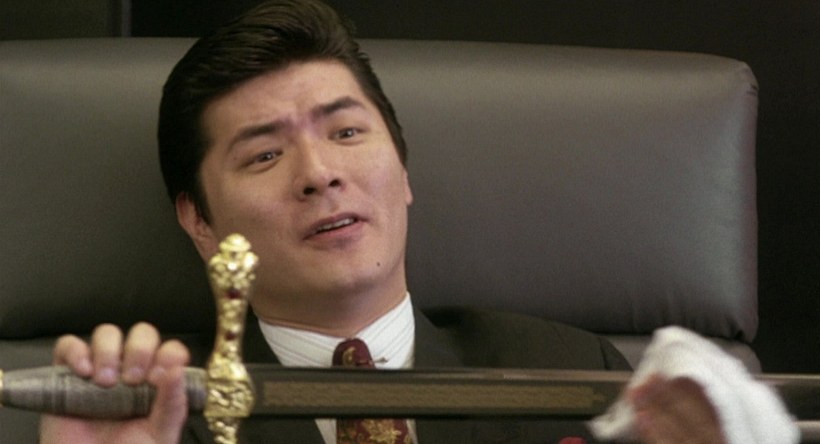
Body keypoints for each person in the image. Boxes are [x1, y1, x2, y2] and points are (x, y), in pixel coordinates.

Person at [40, 1, 727, 443]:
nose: (319, 174)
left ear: (402, 171)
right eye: (265, 154)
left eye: (345, 133)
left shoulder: (565, 373)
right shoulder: (153, 407)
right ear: (201, 223)